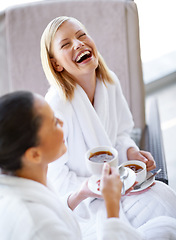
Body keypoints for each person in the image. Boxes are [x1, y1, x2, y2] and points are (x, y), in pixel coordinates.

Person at [40, 16, 176, 239]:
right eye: (66, 44)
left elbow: (122, 132)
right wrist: (94, 187)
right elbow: (55, 177)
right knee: (164, 216)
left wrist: (131, 152)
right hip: (85, 206)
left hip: (120, 187)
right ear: (56, 64)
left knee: (165, 197)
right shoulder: (56, 106)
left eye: (82, 35)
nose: (78, 43)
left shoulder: (109, 82)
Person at [0, 90, 144, 240]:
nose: (62, 123)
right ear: (34, 154)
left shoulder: (25, 176)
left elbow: (54, 212)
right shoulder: (38, 226)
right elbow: (49, 224)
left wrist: (79, 194)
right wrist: (112, 204)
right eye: (54, 123)